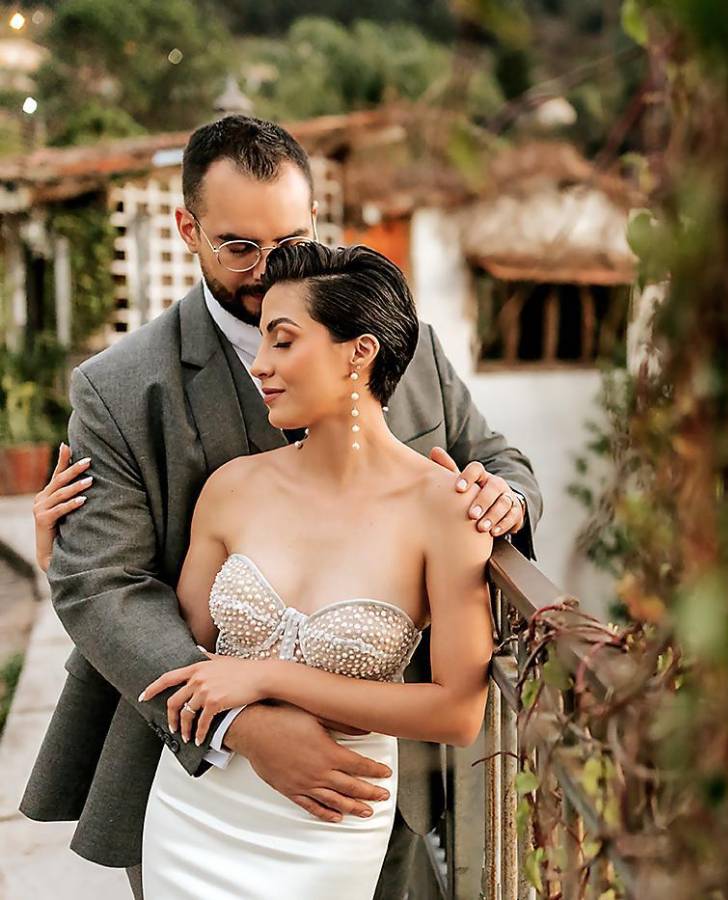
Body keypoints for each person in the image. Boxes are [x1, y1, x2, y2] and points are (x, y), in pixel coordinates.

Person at [20, 115, 542, 899]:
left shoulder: (405, 343)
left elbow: (496, 458)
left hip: (383, 783)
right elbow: (108, 587)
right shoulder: (119, 389)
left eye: (290, 239)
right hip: (202, 771)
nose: (269, 268)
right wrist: (244, 725)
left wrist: (505, 499)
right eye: (240, 247)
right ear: (187, 230)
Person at [131, 241, 493, 897]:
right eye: (261, 344)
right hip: (199, 803)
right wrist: (55, 558)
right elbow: (177, 646)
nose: (260, 366)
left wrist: (271, 675)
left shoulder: (446, 509)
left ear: (359, 352)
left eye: (283, 342)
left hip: (333, 810)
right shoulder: (232, 488)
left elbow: (458, 712)